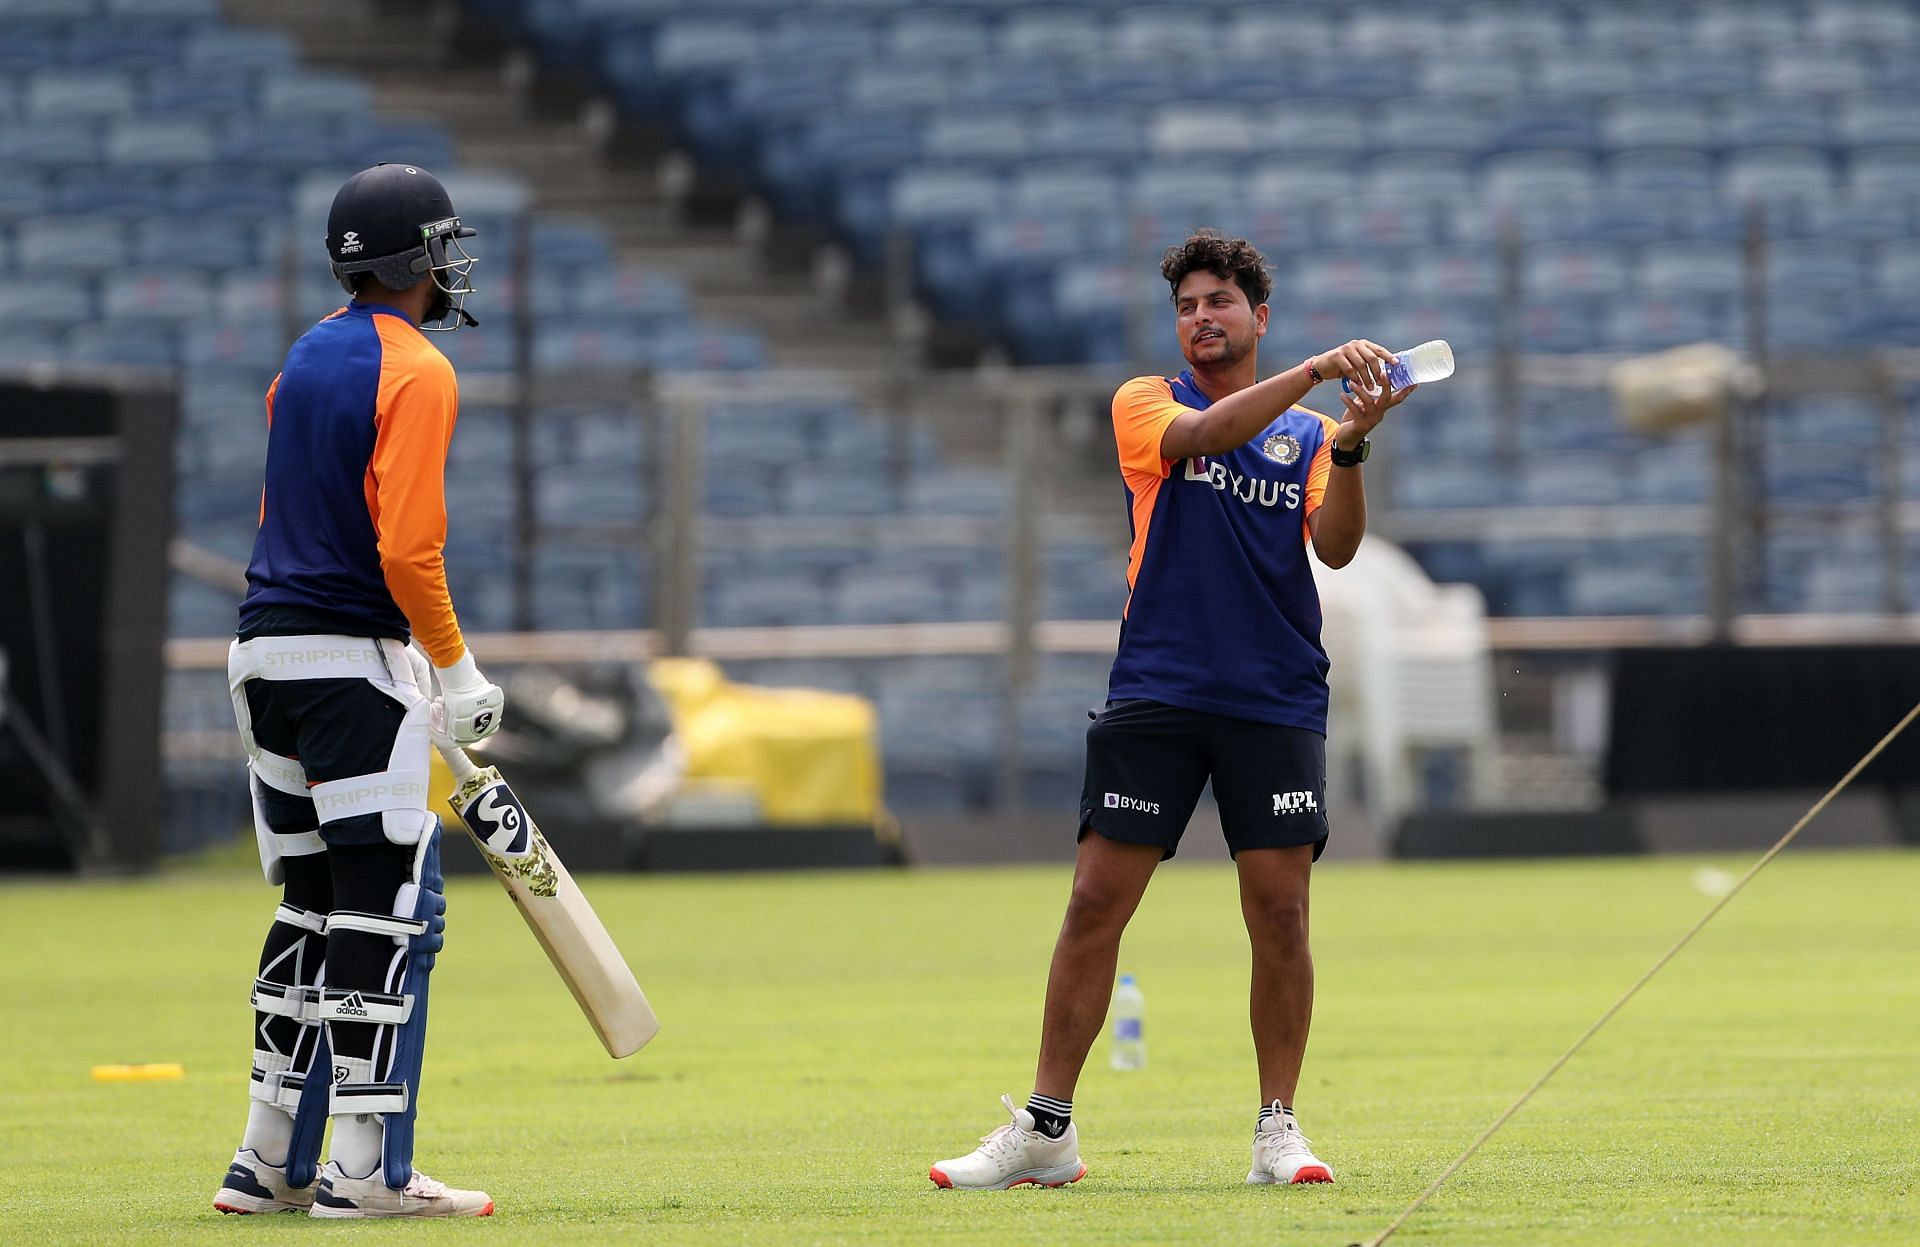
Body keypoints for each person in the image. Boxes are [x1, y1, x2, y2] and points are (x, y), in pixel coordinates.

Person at [930, 231, 1416, 1191]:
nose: (1201, 317)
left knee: (1280, 913)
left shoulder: (1312, 436)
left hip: (1274, 695)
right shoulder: (1146, 404)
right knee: (1093, 903)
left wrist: (1352, 440)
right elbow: (1207, 438)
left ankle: (1279, 1128)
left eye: (1219, 303)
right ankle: (1047, 1129)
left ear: (1256, 317)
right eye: (1188, 304)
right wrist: (1318, 370)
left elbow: (1339, 548)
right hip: (1157, 688)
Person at [212, 163, 506, 1218]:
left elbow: (273, 509)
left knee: (309, 902)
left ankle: (266, 1159)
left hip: (260, 655)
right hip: (350, 660)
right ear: (417, 260)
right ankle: (363, 1169)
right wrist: (459, 668)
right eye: (441, 248)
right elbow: (408, 546)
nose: (449, 266)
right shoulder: (417, 369)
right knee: (377, 912)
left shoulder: (302, 355)